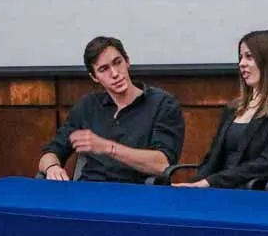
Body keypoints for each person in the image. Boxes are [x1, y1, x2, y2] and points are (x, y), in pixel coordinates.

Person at [39, 36, 185, 183]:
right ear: (94, 77)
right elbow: (50, 153)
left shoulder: (162, 104)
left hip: (136, 192)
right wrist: (52, 167)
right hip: (89, 190)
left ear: (127, 61)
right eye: (103, 69)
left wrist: (109, 148)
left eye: (117, 62)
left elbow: (162, 164)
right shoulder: (88, 106)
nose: (115, 74)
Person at [172, 30, 268, 189]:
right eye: (241, 57)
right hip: (216, 188)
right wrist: (194, 184)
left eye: (249, 57)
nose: (242, 63)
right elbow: (212, 159)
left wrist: (211, 182)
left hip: (249, 190)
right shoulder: (233, 107)